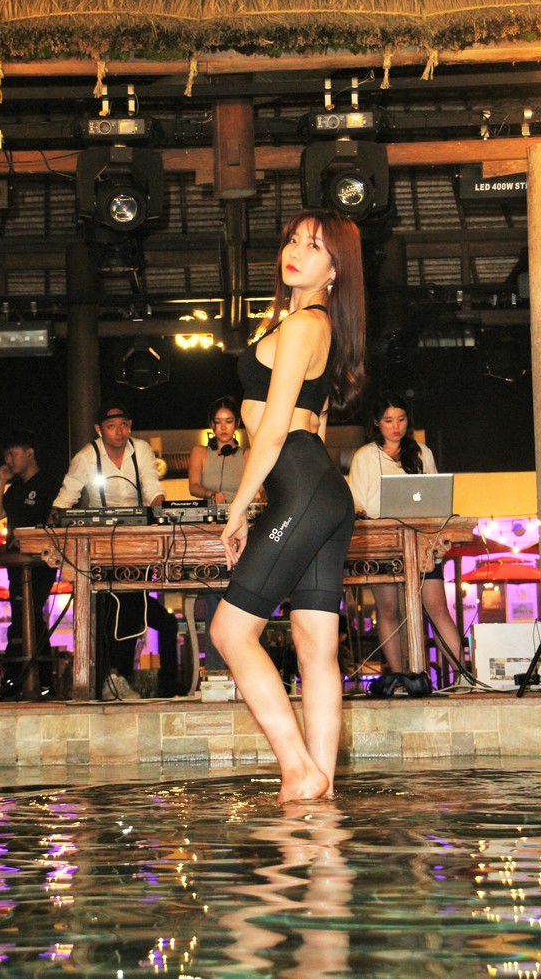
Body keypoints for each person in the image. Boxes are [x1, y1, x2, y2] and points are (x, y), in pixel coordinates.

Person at [209, 208, 366, 803]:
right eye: (293, 240)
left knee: (230, 632)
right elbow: (315, 423)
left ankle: (298, 770)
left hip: (300, 486)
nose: (296, 251)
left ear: (335, 268)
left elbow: (273, 431)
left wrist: (238, 510)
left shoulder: (303, 326)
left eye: (314, 246)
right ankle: (319, 789)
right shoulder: (317, 327)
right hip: (321, 489)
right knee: (314, 646)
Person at [49, 398, 181, 700]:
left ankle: (128, 679)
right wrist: (53, 519)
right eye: (112, 426)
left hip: (137, 542)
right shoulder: (86, 457)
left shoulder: (141, 450)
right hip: (101, 546)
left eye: (124, 425)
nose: (119, 431)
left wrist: (160, 513)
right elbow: (66, 496)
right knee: (116, 610)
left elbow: (152, 487)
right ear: (99, 429)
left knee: (135, 609)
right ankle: (113, 677)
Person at [347, 392, 466, 685]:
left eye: (400, 419)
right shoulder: (364, 456)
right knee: (388, 610)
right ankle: (400, 677)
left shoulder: (421, 453)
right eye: (388, 420)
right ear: (377, 422)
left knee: (437, 609)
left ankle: (462, 678)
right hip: (383, 541)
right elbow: (357, 503)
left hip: (422, 540)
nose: (395, 426)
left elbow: (436, 497)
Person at [0, 428, 60, 699]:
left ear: (30, 453)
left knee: (27, 615)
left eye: (13, 454)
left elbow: (54, 520)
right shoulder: (15, 489)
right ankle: (34, 680)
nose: (9, 460)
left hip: (39, 563)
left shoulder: (48, 484)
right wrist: (1, 481)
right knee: (25, 617)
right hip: (16, 564)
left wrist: (31, 540)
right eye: (6, 455)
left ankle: (25, 679)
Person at [188, 396, 249, 672]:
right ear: (211, 426)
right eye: (218, 422)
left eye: (229, 421)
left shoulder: (248, 455)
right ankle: (216, 671)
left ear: (236, 424)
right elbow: (193, 485)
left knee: (241, 594)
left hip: (242, 528)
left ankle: (243, 668)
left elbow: (260, 488)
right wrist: (210, 493)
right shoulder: (200, 452)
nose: (224, 427)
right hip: (211, 531)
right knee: (214, 591)